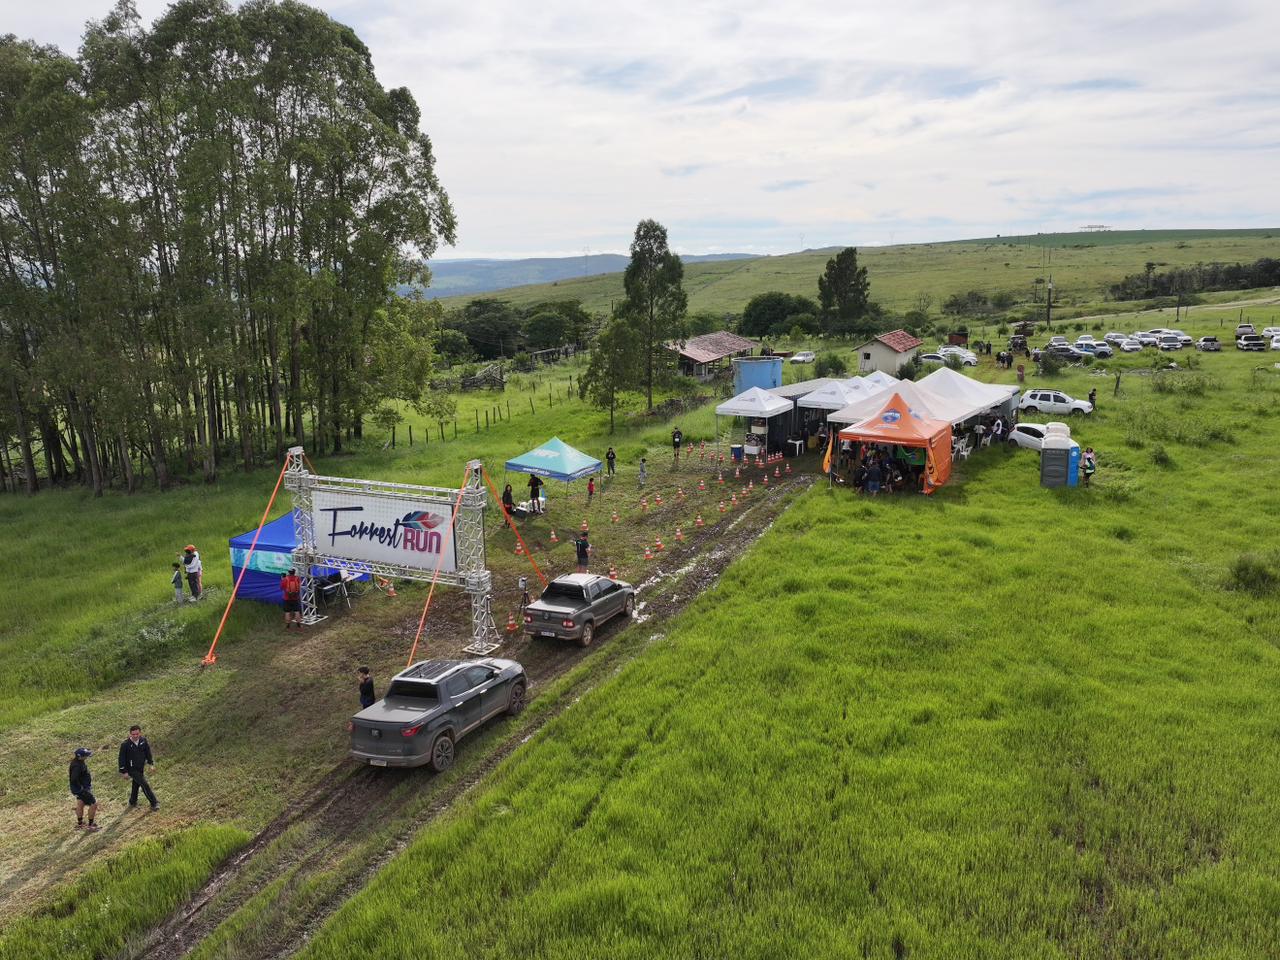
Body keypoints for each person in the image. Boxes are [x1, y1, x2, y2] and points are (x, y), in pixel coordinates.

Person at [118, 725, 158, 811]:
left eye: (137, 734)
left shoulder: (143, 740)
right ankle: (154, 803)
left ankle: (132, 801)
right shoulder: (125, 745)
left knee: (136, 784)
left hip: (140, 767)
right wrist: (124, 771)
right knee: (144, 785)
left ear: (140, 733)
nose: (135, 736)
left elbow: (148, 752)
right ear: (130, 734)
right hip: (131, 769)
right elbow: (121, 759)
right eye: (133, 734)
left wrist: (151, 764)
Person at [69, 747, 99, 831]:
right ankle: (90, 825)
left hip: (78, 789)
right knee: (94, 804)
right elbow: (74, 779)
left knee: (80, 803)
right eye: (85, 755)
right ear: (80, 756)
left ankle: (80, 824)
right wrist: (82, 789)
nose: (87, 756)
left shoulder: (78, 762)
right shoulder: (77, 766)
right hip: (81, 790)